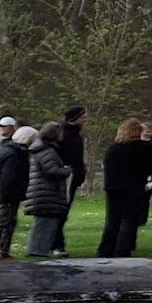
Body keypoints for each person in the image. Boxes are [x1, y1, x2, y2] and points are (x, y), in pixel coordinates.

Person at [94, 119, 152, 257]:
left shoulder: (112, 148)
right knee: (129, 218)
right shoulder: (144, 148)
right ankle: (123, 248)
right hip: (133, 187)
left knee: (113, 218)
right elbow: (148, 167)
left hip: (113, 187)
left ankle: (106, 249)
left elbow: (107, 167)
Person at [22, 122, 74, 258]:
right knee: (45, 224)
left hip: (41, 192)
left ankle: (38, 250)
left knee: (43, 223)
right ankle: (37, 251)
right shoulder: (48, 151)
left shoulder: (40, 149)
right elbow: (51, 171)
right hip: (47, 193)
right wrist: (67, 171)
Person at [0, 123, 30, 259]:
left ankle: (2, 249)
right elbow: (8, 178)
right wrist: (5, 197)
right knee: (3, 221)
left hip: (11, 193)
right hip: (8, 194)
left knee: (9, 221)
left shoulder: (13, 151)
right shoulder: (13, 154)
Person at [55, 105, 89, 253]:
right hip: (66, 177)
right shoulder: (63, 134)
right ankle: (57, 244)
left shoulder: (76, 134)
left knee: (63, 211)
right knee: (60, 211)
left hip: (73, 176)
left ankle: (56, 243)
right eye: (83, 117)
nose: (85, 119)